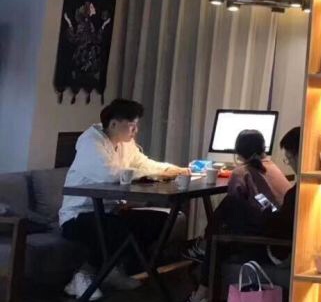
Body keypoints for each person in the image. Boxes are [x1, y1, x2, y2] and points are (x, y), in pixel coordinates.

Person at [59, 98, 189, 300]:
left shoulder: (125, 144)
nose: (135, 130)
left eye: (136, 125)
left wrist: (170, 169)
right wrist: (156, 175)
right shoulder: (90, 142)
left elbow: (143, 163)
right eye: (131, 125)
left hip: (111, 211)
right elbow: (110, 174)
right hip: (79, 216)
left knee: (160, 221)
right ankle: (83, 275)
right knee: (118, 230)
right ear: (113, 124)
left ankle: (112, 269)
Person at [186, 127, 298, 302]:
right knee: (221, 231)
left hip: (274, 248)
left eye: (289, 158)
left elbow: (275, 224)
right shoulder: (275, 169)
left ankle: (203, 260)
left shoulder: (241, 172)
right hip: (276, 237)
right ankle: (203, 276)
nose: (289, 163)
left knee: (227, 214)